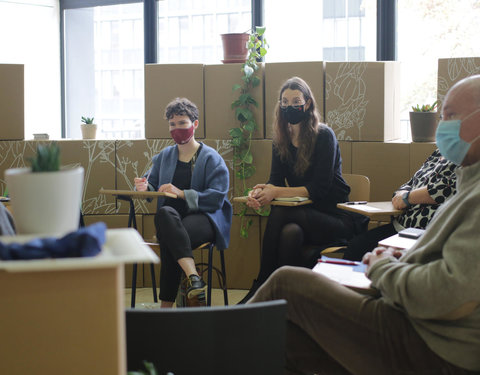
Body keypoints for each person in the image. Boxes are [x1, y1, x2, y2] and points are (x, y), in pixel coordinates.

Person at [248, 75, 480, 375]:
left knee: (286, 283)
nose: (441, 126)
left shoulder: (474, 197)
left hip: (431, 342)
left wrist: (385, 268)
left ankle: (217, 343)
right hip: (417, 317)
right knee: (293, 334)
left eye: (450, 116)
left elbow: (452, 296)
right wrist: (403, 260)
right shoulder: (468, 183)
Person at [239, 77, 368, 303]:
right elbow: (275, 181)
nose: (290, 106)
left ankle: (261, 288)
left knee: (281, 214)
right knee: (291, 234)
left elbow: (318, 189)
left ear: (307, 104)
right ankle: (284, 303)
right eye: (285, 102)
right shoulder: (280, 139)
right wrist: (260, 195)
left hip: (336, 218)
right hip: (302, 219)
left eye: (296, 101)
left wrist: (275, 193)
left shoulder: (324, 136)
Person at [134, 97, 232, 308]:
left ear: (194, 125)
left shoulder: (211, 158)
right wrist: (143, 187)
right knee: (166, 217)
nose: (176, 129)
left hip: (203, 219)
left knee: (171, 239)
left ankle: (166, 308)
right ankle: (193, 277)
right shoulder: (164, 157)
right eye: (172, 124)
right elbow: (150, 185)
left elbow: (217, 196)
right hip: (171, 220)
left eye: (182, 123)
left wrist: (181, 193)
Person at [342, 148, 457, 261]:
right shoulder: (438, 153)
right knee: (357, 245)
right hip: (401, 226)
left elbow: (445, 189)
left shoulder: (468, 158)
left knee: (364, 249)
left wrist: (407, 197)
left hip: (427, 232)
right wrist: (401, 194)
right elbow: (411, 183)